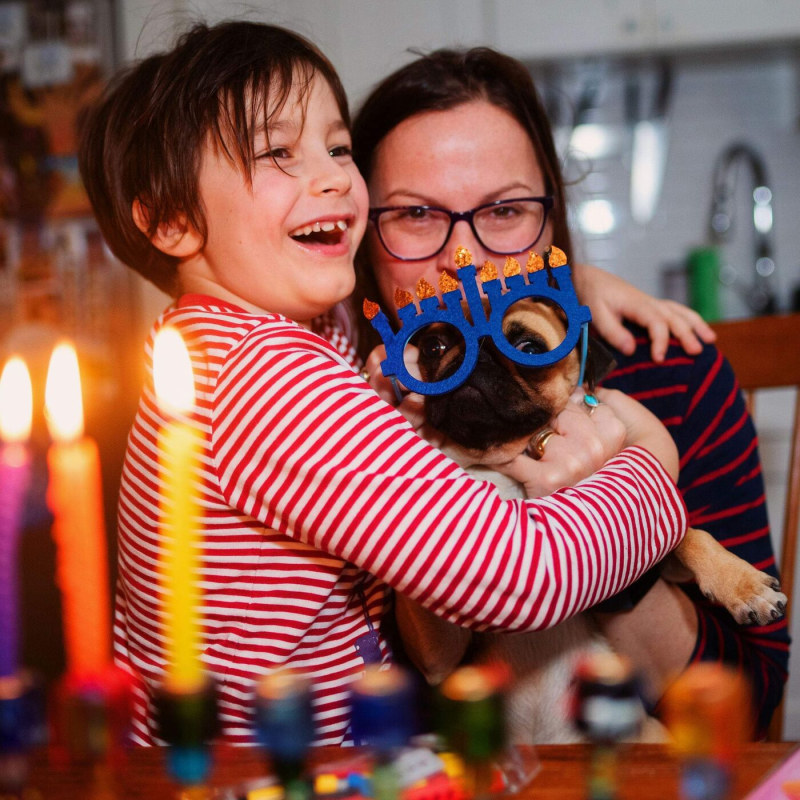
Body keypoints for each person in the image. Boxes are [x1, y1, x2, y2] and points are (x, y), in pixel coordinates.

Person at [77, 21, 688, 745]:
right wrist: (652, 474)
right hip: (260, 778)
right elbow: (521, 575)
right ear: (174, 219)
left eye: (337, 148)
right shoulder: (271, 379)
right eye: (278, 153)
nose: (335, 176)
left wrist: (571, 282)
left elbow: (428, 288)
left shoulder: (224, 338)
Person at [350, 47, 789, 737]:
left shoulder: (668, 373)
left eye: (503, 211)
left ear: (550, 222)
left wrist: (612, 540)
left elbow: (749, 707)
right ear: (361, 242)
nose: (463, 260)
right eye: (416, 216)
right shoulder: (332, 405)